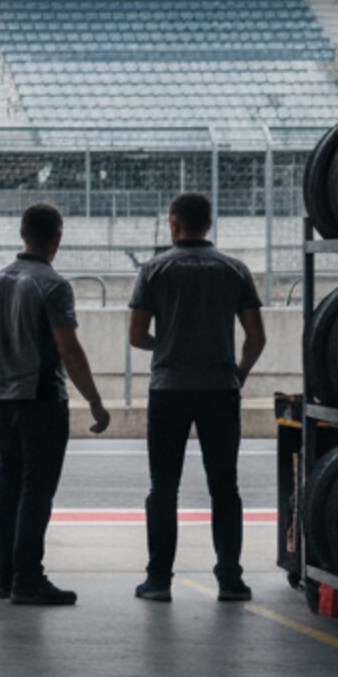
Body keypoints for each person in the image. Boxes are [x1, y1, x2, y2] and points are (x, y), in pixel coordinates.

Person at [127, 191, 266, 604]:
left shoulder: (155, 270)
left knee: (163, 487)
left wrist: (169, 344)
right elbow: (256, 338)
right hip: (219, 389)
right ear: (209, 223)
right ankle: (230, 580)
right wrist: (236, 374)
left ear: (174, 223)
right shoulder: (234, 270)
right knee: (225, 486)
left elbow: (136, 336)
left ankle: (158, 581)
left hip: (169, 390)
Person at [0, 202, 112, 605]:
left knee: (8, 486)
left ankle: (5, 576)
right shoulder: (54, 285)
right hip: (40, 400)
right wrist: (95, 402)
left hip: (4, 398)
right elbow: (68, 350)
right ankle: (29, 578)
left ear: (22, 234)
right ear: (57, 237)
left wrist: (0, 381)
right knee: (37, 491)